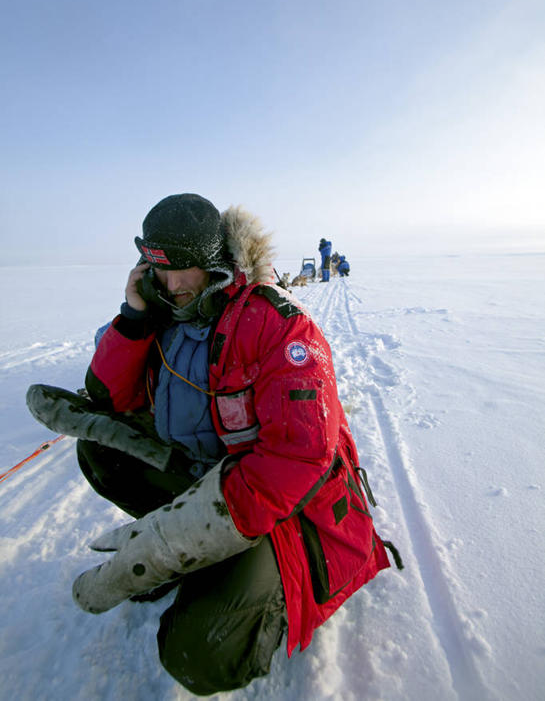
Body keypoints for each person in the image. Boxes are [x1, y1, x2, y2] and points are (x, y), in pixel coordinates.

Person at [27, 194, 395, 696]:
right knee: (101, 449)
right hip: (205, 477)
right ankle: (204, 561)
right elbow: (112, 396)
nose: (174, 285)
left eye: (186, 271)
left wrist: (172, 538)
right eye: (160, 271)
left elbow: (299, 458)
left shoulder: (278, 326)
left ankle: (261, 597)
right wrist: (133, 317)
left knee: (197, 654)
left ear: (214, 261)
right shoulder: (163, 309)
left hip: (284, 515)